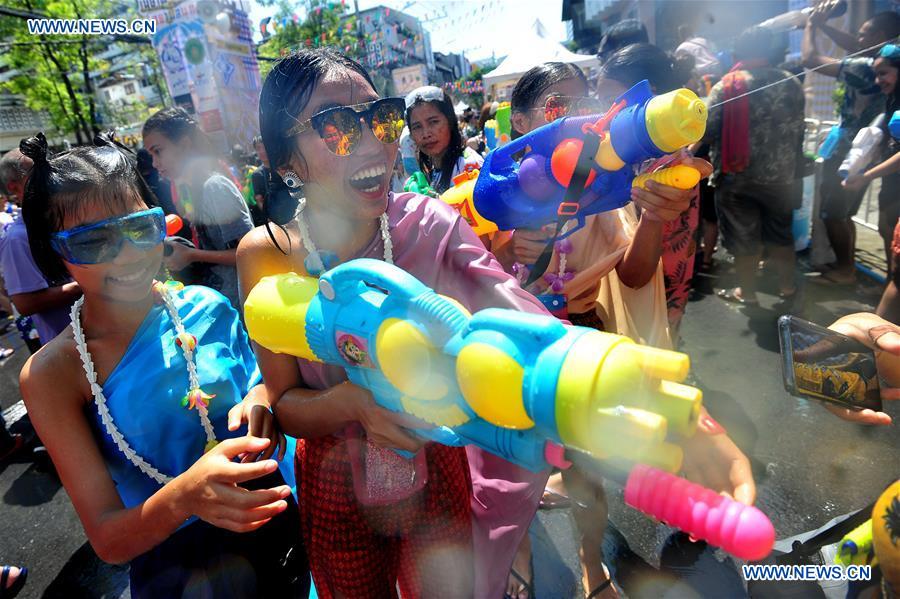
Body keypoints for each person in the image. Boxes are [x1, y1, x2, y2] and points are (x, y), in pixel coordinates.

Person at [242, 47, 551, 599]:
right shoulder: (266, 254)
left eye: (381, 117)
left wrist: (587, 383)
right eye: (336, 126)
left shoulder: (429, 223)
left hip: (437, 459)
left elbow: (518, 318)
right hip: (336, 481)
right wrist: (356, 406)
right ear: (283, 159)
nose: (371, 141)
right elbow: (286, 402)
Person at [17, 132, 307, 597]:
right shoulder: (56, 372)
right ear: (55, 252)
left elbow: (266, 384)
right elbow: (109, 540)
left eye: (139, 228)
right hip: (181, 574)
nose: (128, 253)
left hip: (287, 526)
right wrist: (187, 496)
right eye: (93, 242)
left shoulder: (209, 306)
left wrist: (262, 397)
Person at [597, 43, 702, 336]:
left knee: (657, 334)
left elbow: (637, 269)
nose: (604, 112)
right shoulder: (639, 147)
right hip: (652, 274)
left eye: (610, 100)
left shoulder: (663, 156)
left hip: (658, 272)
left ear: (649, 96)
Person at [703, 27, 805, 306]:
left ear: (737, 54)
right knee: (781, 235)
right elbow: (799, 129)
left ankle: (746, 294)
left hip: (737, 178)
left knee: (743, 240)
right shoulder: (791, 82)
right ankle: (787, 288)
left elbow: (708, 129)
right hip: (781, 177)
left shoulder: (728, 85)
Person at [802, 8, 900, 284]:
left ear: (879, 36)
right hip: (871, 154)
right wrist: (825, 25)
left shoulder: (867, 68)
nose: (855, 38)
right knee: (851, 216)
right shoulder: (887, 64)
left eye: (862, 33)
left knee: (834, 213)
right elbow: (858, 47)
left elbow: (810, 58)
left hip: (852, 153)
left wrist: (812, 25)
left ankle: (846, 270)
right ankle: (855, 269)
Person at [142, 108, 254, 309]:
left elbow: (250, 253)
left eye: (158, 151)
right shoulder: (192, 189)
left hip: (241, 305)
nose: (154, 163)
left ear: (184, 145)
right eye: (151, 155)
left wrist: (192, 255)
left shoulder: (215, 187)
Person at [0, 149, 80, 345]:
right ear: (14, 187)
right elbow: (25, 303)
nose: (49, 178)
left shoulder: (61, 219)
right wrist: (88, 282)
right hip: (69, 346)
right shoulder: (17, 239)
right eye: (37, 174)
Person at [843, 45, 900, 268]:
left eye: (883, 73)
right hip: (892, 183)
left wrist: (866, 176)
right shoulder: (893, 100)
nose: (878, 81)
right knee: (887, 232)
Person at [405, 86, 483, 194]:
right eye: (417, 127)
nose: (426, 134)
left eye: (433, 122)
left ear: (450, 122)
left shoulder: (470, 166)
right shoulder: (432, 169)